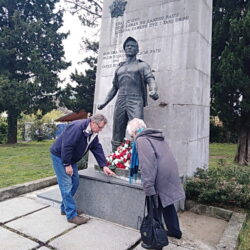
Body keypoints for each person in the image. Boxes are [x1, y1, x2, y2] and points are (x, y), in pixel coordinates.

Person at [126, 118, 185, 249]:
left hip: (159, 175)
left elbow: (148, 165)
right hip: (169, 173)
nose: (132, 138)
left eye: (131, 135)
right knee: (167, 203)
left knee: (154, 207)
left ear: (134, 132)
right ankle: (175, 232)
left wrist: (148, 186)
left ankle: (156, 240)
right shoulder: (155, 136)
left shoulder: (141, 140)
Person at [50, 114, 115, 225]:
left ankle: (65, 208)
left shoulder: (93, 132)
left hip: (71, 158)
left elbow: (96, 147)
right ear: (93, 123)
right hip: (60, 156)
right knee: (66, 185)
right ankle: (71, 215)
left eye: (102, 128)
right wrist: (67, 164)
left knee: (75, 183)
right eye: (100, 127)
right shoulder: (77, 127)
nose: (100, 130)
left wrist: (104, 165)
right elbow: (67, 146)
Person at [97, 36, 159, 151]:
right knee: (117, 130)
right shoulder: (119, 68)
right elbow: (114, 88)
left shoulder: (142, 65)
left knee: (138, 131)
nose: (130, 48)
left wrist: (153, 90)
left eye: (133, 46)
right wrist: (104, 103)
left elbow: (150, 79)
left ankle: (139, 162)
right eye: (127, 46)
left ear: (137, 50)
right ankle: (114, 160)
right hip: (120, 100)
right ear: (124, 49)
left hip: (135, 100)